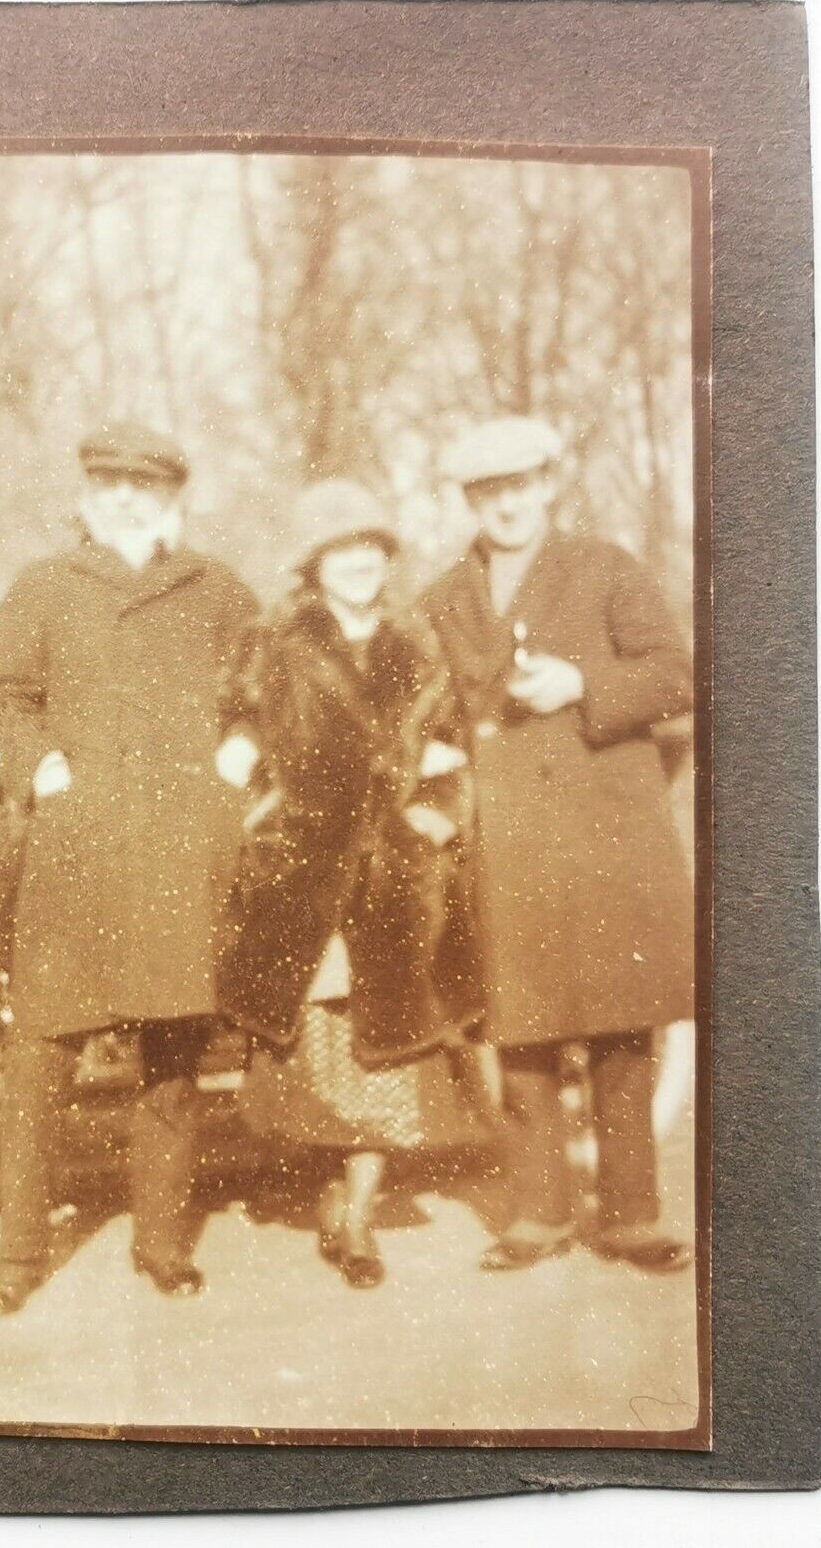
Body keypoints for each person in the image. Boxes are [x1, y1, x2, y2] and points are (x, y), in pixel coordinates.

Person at [0, 421, 258, 1316]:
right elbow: (4, 697)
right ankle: (19, 1252)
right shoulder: (45, 587)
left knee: (171, 1060)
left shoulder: (218, 591)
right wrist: (40, 768)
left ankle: (163, 1244)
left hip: (180, 851)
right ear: (87, 496)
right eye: (108, 484)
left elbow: (262, 691)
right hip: (78, 853)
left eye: (143, 486)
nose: (124, 498)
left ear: (173, 499)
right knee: (39, 1059)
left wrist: (235, 760)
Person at [418, 416, 695, 1273]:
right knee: (521, 1029)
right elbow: (429, 709)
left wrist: (582, 683)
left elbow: (675, 674)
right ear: (471, 501)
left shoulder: (604, 568)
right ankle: (536, 1214)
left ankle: (630, 1216)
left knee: (618, 1026)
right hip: (503, 839)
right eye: (487, 492)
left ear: (547, 486)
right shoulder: (442, 598)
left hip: (603, 828)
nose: (505, 506)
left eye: (519, 487)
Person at [215, 478, 484, 1289]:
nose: (361, 561)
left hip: (396, 880)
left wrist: (435, 815)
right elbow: (235, 736)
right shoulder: (272, 645)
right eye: (343, 548)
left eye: (372, 546)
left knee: (390, 1060)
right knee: (321, 1056)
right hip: (305, 877)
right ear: (315, 563)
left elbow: (451, 749)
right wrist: (253, 806)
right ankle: (334, 1195)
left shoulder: (420, 645)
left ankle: (359, 1220)